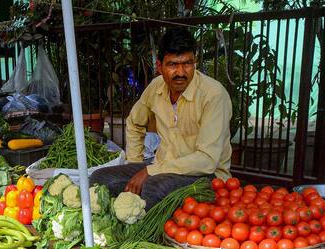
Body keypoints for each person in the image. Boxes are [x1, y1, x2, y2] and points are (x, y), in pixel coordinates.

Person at [91, 27, 232, 208]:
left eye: (187, 63)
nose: (181, 72)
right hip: (162, 168)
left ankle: (142, 234)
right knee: (100, 178)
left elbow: (206, 160)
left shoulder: (213, 94)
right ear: (159, 66)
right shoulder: (156, 87)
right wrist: (136, 164)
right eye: (173, 64)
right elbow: (134, 123)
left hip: (207, 175)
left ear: (195, 62)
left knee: (154, 188)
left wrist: (150, 171)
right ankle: (115, 223)